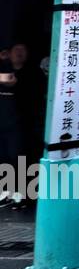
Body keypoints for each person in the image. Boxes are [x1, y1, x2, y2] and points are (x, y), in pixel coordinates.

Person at [0, 55, 21, 208]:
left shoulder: (10, 67)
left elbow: (10, 80)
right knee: (3, 158)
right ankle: (5, 192)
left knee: (16, 157)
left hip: (15, 124)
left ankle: (18, 194)